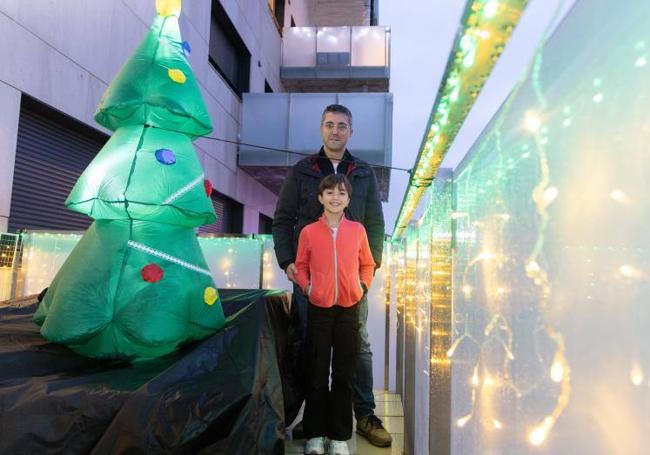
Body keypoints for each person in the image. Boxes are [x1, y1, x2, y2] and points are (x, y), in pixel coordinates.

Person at [273, 104, 391, 447]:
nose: (335, 130)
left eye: (342, 126)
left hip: (352, 285)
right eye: (329, 124)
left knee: (358, 346)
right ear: (321, 129)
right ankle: (315, 420)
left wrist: (367, 276)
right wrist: (288, 263)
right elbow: (282, 219)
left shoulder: (363, 172)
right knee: (311, 346)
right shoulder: (303, 170)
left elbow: (375, 224)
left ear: (350, 132)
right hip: (312, 283)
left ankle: (365, 414)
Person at [295, 174, 375, 455]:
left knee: (344, 373)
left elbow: (368, 263)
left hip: (349, 309)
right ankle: (315, 434)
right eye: (329, 193)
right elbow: (301, 265)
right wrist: (308, 287)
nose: (335, 197)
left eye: (341, 193)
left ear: (348, 200)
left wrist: (362, 286)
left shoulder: (358, 230)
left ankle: (339, 436)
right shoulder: (308, 232)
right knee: (316, 371)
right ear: (320, 198)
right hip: (319, 307)